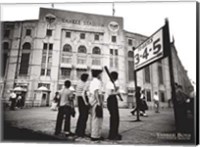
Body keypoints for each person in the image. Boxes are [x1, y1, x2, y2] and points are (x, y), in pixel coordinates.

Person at [88, 70, 104, 141]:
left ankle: (94, 134)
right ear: (98, 74)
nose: (101, 75)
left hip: (92, 100)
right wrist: (99, 102)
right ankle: (95, 135)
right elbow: (96, 92)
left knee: (94, 118)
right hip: (96, 100)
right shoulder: (97, 82)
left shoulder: (92, 82)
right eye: (100, 74)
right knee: (97, 119)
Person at [106, 71, 122, 140]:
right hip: (111, 100)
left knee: (116, 118)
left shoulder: (114, 83)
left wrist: (120, 96)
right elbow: (110, 93)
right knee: (114, 118)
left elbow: (115, 92)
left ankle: (115, 133)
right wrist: (117, 92)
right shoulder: (109, 83)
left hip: (113, 99)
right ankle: (112, 135)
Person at [75, 73, 90, 137]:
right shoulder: (84, 84)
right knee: (84, 116)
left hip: (79, 99)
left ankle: (78, 131)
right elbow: (83, 94)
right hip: (83, 99)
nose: (87, 79)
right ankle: (81, 132)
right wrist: (86, 102)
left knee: (81, 115)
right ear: (85, 78)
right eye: (87, 78)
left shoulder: (78, 82)